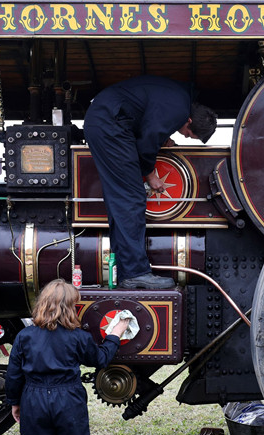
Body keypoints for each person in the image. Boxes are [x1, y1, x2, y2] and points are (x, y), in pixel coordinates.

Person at [5, 279, 130, 435]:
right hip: (68, 398)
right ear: (70, 308)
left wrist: (15, 402)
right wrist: (116, 332)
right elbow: (101, 359)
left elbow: (14, 374)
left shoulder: (25, 336)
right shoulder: (78, 337)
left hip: (34, 399)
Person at [84, 76, 217, 289]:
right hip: (110, 125)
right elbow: (147, 140)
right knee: (131, 199)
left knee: (121, 202)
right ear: (189, 121)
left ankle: (122, 269)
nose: (183, 136)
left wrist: (162, 136)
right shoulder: (178, 110)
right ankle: (135, 273)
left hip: (109, 121)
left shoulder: (179, 99)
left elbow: (147, 120)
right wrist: (150, 173)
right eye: (188, 134)